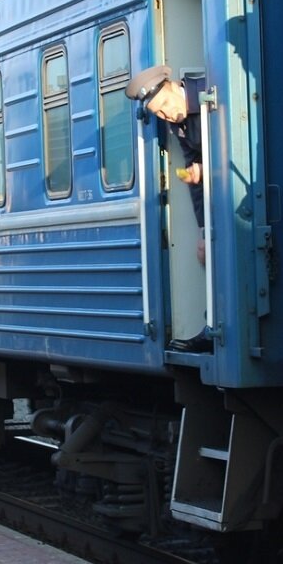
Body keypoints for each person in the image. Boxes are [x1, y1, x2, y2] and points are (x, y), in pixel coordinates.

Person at [125, 64, 213, 353]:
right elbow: (195, 178)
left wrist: (207, 169)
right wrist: (203, 229)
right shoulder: (179, 121)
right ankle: (213, 325)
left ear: (174, 86)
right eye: (158, 114)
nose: (165, 116)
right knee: (207, 251)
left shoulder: (209, 92)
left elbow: (239, 144)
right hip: (217, 204)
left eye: (164, 106)